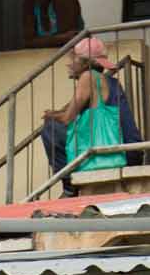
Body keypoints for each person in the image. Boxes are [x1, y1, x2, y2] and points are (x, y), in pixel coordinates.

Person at [41, 35, 140, 190]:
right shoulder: (109, 82)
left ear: (85, 62)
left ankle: (68, 185)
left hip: (115, 153)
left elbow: (67, 118)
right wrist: (57, 113)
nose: (69, 64)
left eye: (73, 58)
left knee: (50, 128)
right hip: (130, 150)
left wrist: (50, 115)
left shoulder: (87, 77)